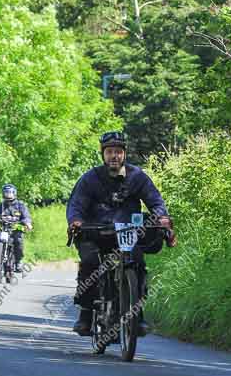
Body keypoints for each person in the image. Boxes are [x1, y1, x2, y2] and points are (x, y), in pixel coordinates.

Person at [66, 131, 176, 337]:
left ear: (124, 154)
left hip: (127, 231)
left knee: (137, 262)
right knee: (90, 263)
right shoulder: (90, 178)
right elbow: (76, 205)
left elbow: (155, 201)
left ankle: (137, 314)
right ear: (103, 154)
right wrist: (76, 222)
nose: (114, 156)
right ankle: (86, 313)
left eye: (118, 151)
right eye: (109, 152)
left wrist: (162, 218)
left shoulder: (137, 177)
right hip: (95, 231)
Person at [0, 184, 32, 272]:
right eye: (6, 192)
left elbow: (26, 217)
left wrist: (27, 223)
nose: (8, 194)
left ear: (14, 193)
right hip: (3, 229)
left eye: (10, 192)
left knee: (19, 240)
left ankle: (18, 262)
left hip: (15, 229)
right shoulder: (0, 207)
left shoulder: (21, 205)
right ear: (3, 193)